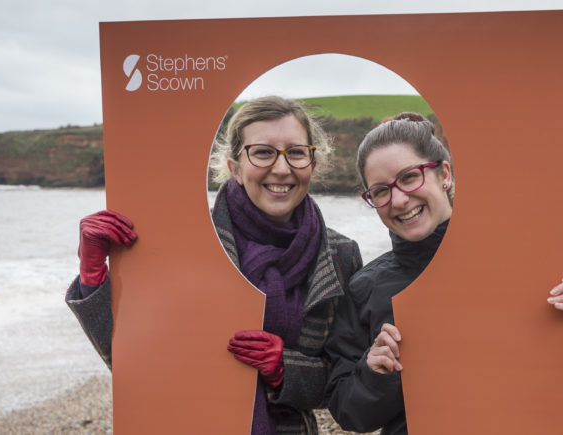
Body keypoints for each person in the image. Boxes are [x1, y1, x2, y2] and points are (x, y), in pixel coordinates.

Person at [64, 96, 363, 435]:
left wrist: (284, 368)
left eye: (296, 152)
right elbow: (132, 363)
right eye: (262, 152)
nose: (282, 169)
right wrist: (92, 273)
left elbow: (345, 381)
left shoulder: (340, 255)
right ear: (234, 166)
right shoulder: (186, 244)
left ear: (313, 162)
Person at [324, 113, 563, 434]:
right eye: (380, 191)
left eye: (409, 177)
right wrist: (374, 371)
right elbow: (348, 411)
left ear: (445, 175)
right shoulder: (365, 288)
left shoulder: (520, 260)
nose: (398, 200)